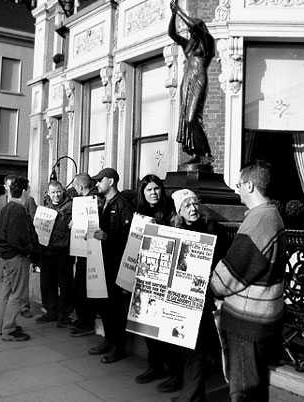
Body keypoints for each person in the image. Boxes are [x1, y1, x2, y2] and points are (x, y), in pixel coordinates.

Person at [210, 161, 286, 402]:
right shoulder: (268, 215)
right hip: (259, 319)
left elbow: (231, 274)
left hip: (246, 324)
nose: (237, 189)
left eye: (239, 184)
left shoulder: (260, 220)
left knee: (244, 391)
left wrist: (212, 283)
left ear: (251, 185)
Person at [162, 188, 221, 402]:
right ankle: (191, 393)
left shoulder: (211, 228)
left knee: (194, 348)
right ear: (179, 211)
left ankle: (191, 397)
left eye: (195, 203)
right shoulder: (172, 229)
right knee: (186, 348)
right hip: (179, 297)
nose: (193, 208)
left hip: (202, 296)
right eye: (187, 205)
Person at [89, 167, 134, 364]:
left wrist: (107, 237)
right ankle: (108, 340)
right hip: (102, 262)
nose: (97, 184)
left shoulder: (123, 204)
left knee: (116, 308)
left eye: (100, 180)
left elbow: (128, 237)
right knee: (105, 305)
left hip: (116, 264)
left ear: (111, 181)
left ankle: (119, 347)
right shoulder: (103, 203)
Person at [134, 175, 174, 384]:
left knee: (166, 328)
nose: (153, 193)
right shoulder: (138, 213)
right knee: (148, 325)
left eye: (156, 189)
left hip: (165, 275)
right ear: (142, 192)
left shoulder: (170, 211)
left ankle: (174, 371)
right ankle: (155, 366)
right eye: (149, 190)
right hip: (144, 274)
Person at [168, 0, 215, 163]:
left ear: (201, 28)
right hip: (187, 80)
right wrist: (173, 14)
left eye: (194, 28)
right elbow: (172, 34)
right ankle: (196, 154)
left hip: (199, 78)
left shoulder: (207, 40)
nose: (190, 31)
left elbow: (193, 26)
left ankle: (206, 153)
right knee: (186, 118)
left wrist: (179, 11)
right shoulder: (188, 44)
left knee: (192, 118)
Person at [0, 176, 39, 342]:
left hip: (6, 256)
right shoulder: (19, 210)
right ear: (23, 191)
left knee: (6, 292)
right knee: (18, 294)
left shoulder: (7, 207)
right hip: (17, 257)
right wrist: (28, 249)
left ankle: (2, 326)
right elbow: (18, 237)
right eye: (28, 190)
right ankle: (9, 329)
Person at [0, 174, 36, 318]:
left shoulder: (15, 205)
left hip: (6, 253)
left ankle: (3, 323)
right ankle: (8, 327)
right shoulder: (10, 206)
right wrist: (28, 249)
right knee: (16, 290)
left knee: (9, 286)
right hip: (14, 255)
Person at [36, 181, 74, 327]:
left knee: (65, 284)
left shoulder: (71, 206)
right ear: (48, 193)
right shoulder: (45, 206)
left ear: (63, 191)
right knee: (47, 283)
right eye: (53, 192)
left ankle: (64, 315)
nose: (56, 195)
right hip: (47, 250)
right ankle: (51, 312)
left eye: (58, 191)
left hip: (64, 250)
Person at [69, 173, 98, 337]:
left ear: (80, 186)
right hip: (82, 250)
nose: (73, 189)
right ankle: (83, 320)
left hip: (90, 252)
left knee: (83, 288)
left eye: (75, 186)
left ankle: (86, 322)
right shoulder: (86, 201)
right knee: (79, 286)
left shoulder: (92, 201)